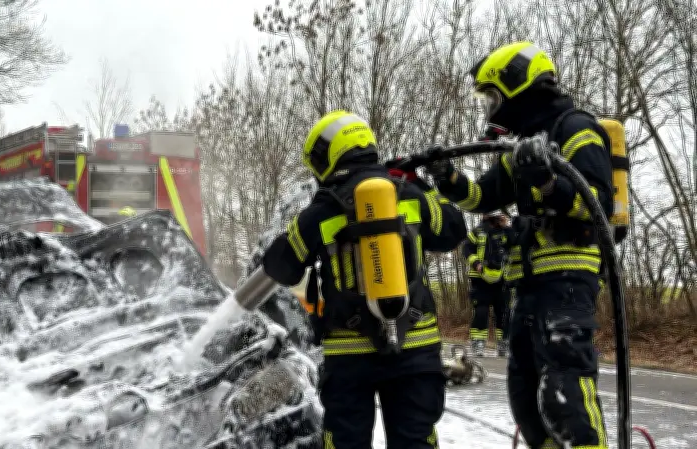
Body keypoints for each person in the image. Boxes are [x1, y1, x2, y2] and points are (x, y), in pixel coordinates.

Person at [423, 41, 612, 449]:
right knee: (525, 399)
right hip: (526, 288)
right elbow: (482, 197)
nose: (491, 107)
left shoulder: (575, 128)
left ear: (518, 86)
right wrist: (447, 177)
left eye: (492, 96)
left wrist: (548, 182)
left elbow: (599, 202)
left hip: (566, 283)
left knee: (565, 395)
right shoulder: (522, 146)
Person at [260, 110, 467, 448]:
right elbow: (454, 231)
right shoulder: (409, 194)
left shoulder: (321, 212)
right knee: (416, 441)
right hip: (416, 348)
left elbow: (280, 267)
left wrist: (301, 225)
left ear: (330, 154)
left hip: (350, 355)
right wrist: (419, 183)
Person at [462, 211, 511, 358]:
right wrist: (476, 263)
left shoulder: (506, 232)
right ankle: (478, 343)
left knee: (503, 313)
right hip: (480, 279)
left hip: (502, 279)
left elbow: (514, 245)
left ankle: (503, 343)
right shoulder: (477, 231)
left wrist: (507, 227)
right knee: (481, 312)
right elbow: (466, 249)